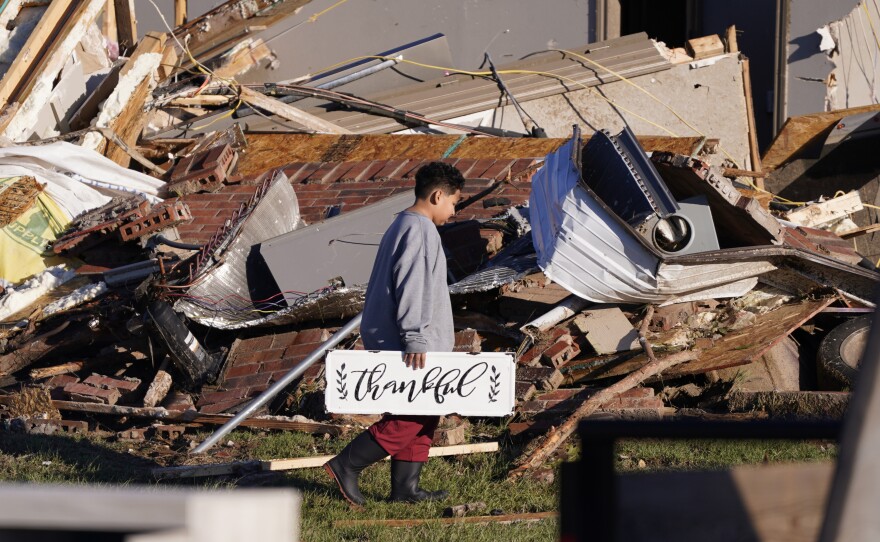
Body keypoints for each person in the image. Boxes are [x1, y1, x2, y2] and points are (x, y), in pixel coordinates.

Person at [324, 161, 465, 507]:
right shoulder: (420, 230)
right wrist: (416, 337)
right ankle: (346, 464)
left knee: (425, 411)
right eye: (454, 203)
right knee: (410, 416)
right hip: (409, 342)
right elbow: (413, 286)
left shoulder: (403, 224)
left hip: (406, 338)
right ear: (436, 196)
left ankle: (406, 488)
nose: (454, 211)